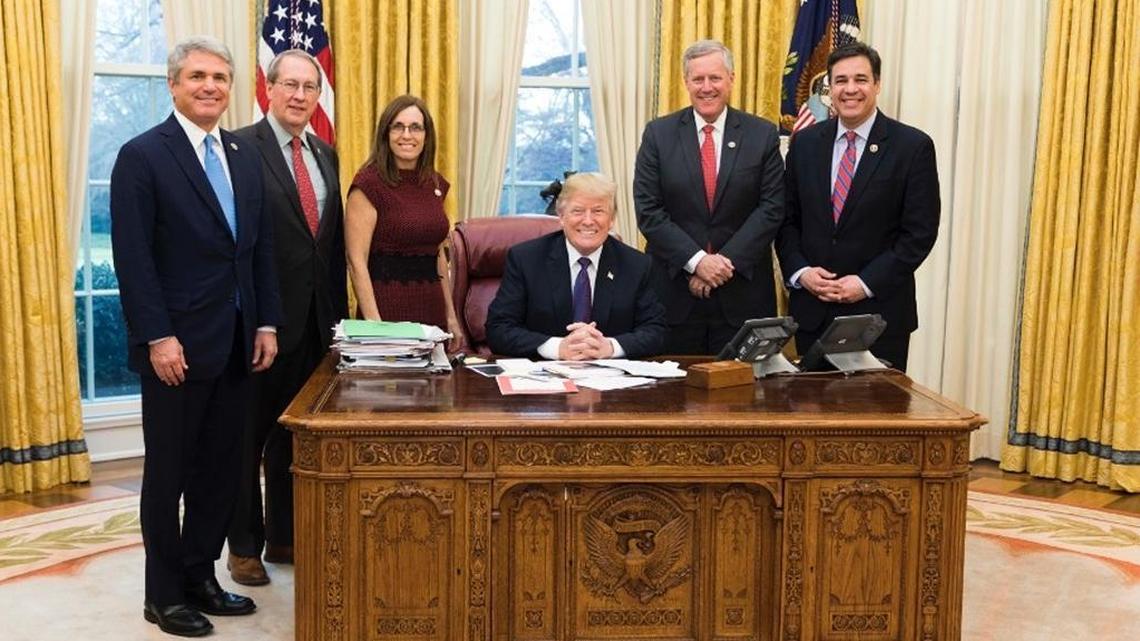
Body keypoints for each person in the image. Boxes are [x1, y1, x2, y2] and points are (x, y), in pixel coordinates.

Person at [110, 36, 281, 637]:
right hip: (176, 349)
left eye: (220, 78)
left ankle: (201, 577)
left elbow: (256, 250)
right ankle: (163, 594)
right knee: (170, 474)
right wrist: (158, 336)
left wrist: (265, 321)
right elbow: (133, 259)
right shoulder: (142, 155)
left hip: (238, 343)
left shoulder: (242, 154)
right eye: (198, 76)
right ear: (174, 84)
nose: (210, 86)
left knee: (221, 469)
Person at [225, 49, 346, 586]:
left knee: (295, 438)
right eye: (289, 85)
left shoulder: (326, 153)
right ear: (268, 88)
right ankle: (243, 545)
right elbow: (237, 244)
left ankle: (284, 536)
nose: (299, 96)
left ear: (319, 96)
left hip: (319, 323)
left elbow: (328, 242)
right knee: (247, 438)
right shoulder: (239, 149)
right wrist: (254, 320)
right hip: (263, 326)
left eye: (309, 87)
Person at [776, 42, 940, 372]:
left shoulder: (912, 147)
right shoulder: (805, 144)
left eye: (861, 79)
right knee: (812, 419)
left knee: (875, 421)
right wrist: (801, 273)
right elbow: (785, 220)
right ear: (830, 89)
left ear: (877, 84)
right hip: (813, 313)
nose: (850, 89)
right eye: (840, 81)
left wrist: (864, 283)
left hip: (879, 317)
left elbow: (918, 234)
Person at [633, 39, 784, 355]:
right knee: (669, 397)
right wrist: (697, 262)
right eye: (698, 79)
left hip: (743, 296)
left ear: (731, 79)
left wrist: (721, 266)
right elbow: (649, 210)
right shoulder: (658, 134)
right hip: (673, 295)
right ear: (686, 82)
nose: (706, 87)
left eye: (715, 78)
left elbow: (771, 208)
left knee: (744, 397)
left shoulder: (762, 134)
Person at [485, 172, 666, 359]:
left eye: (598, 211)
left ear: (611, 219)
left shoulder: (636, 265)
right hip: (545, 381)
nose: (588, 221)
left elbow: (656, 332)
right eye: (578, 211)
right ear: (561, 216)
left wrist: (610, 347)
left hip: (611, 381)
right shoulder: (526, 259)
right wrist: (558, 348)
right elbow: (498, 329)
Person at [345, 95, 462, 344]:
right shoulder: (368, 184)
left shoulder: (434, 182)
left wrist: (450, 316)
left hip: (432, 315)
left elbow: (437, 255)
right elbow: (356, 262)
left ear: (426, 136)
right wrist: (376, 327)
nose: (406, 135)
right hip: (387, 316)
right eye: (398, 126)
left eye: (415, 127)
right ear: (386, 134)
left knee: (435, 383)